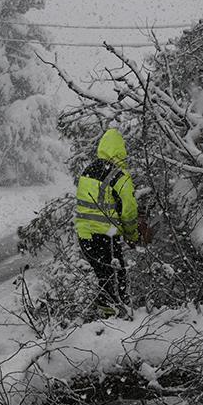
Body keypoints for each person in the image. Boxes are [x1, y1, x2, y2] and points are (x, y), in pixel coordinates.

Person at [74, 128, 139, 319]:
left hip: (84, 236)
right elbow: (128, 209)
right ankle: (115, 320)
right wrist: (132, 235)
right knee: (116, 280)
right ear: (121, 151)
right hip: (105, 236)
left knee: (105, 277)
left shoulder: (88, 170)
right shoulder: (119, 175)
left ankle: (105, 316)